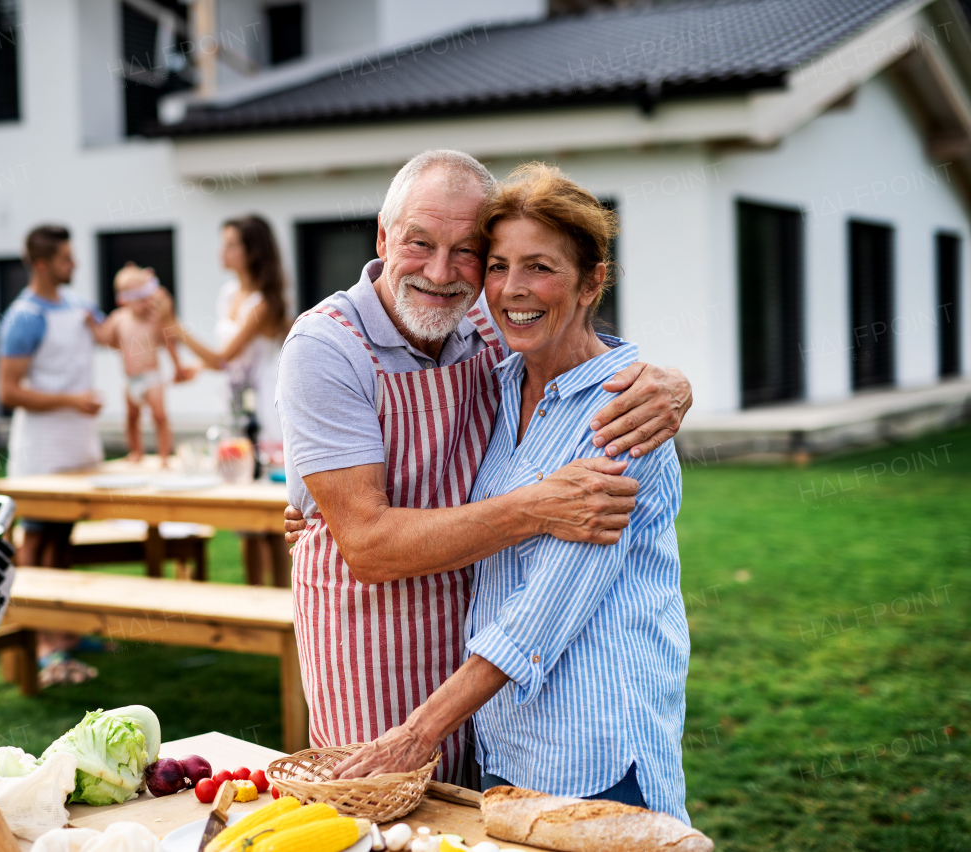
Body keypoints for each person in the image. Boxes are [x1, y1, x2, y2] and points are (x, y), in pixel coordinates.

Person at [274, 150, 693, 786]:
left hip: (535, 703)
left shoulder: (513, 346)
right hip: (370, 645)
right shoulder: (325, 348)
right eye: (419, 243)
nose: (443, 274)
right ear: (383, 237)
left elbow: (566, 342)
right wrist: (535, 506)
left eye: (468, 251)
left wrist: (674, 382)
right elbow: (367, 545)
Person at [0, 224, 110, 686]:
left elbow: (112, 337)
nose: (75, 264)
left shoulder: (81, 308)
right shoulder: (23, 317)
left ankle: (66, 631)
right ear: (42, 264)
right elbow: (8, 391)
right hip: (41, 449)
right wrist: (70, 401)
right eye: (66, 258)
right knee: (38, 544)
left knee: (64, 538)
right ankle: (44, 648)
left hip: (78, 444)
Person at [165, 214, 291, 583]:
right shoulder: (228, 295)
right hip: (236, 406)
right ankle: (255, 598)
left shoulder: (264, 303)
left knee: (271, 517)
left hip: (265, 410)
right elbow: (226, 361)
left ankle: (280, 603)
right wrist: (196, 370)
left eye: (232, 243)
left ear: (252, 252)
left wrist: (174, 325)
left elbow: (225, 358)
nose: (224, 251)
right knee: (245, 516)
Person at [109, 262, 194, 466]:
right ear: (123, 300)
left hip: (151, 377)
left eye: (145, 296)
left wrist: (178, 367)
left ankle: (164, 455)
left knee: (159, 416)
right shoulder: (119, 319)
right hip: (130, 380)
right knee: (131, 417)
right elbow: (108, 339)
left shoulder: (155, 320)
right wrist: (90, 323)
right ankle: (135, 451)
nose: (144, 302)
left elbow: (169, 344)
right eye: (138, 297)